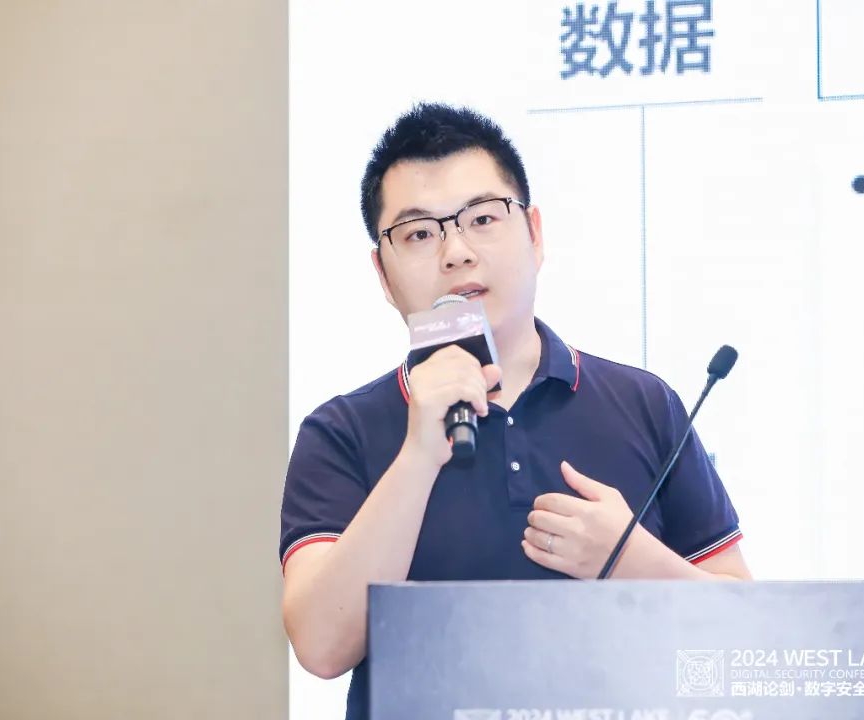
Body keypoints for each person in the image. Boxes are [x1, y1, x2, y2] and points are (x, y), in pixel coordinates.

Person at [279, 103, 750, 719]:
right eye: (419, 233)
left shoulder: (643, 403)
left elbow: (745, 632)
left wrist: (633, 560)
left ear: (534, 234)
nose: (455, 252)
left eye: (481, 219)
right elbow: (320, 646)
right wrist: (418, 454)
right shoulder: (341, 432)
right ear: (383, 275)